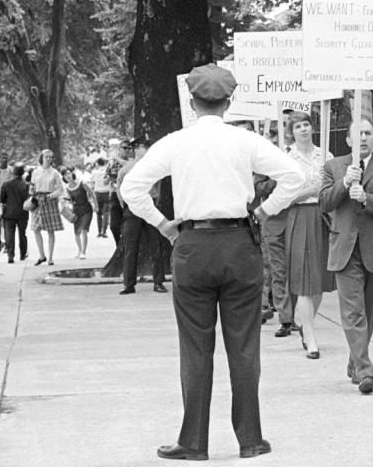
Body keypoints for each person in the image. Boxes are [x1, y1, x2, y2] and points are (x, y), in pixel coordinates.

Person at [120, 63, 305, 461]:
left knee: (195, 348)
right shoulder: (246, 141)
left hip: (192, 244)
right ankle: (251, 439)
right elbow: (294, 176)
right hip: (240, 242)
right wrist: (263, 212)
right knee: (244, 347)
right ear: (229, 101)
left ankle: (193, 442)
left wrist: (164, 225)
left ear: (192, 101)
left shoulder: (175, 143)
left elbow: (131, 187)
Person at [320, 118, 373, 394]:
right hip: (345, 248)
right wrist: (344, 183)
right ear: (349, 140)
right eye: (359, 134)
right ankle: (366, 369)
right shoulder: (334, 166)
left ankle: (355, 361)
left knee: (369, 310)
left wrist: (367, 198)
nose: (365, 138)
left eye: (369, 133)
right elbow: (324, 202)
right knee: (353, 311)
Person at [285, 110, 335, 359]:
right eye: (297, 127)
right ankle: (311, 337)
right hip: (299, 216)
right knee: (305, 280)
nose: (303, 129)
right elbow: (284, 196)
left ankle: (306, 324)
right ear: (291, 132)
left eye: (306, 125)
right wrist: (309, 191)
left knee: (319, 282)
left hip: (323, 217)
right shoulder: (286, 158)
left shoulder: (325, 154)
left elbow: (333, 187)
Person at [260, 116, 298, 336]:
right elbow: (258, 187)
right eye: (277, 133)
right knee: (277, 270)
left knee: (297, 270)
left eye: (285, 131)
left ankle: (297, 315)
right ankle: (285, 318)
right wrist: (277, 180)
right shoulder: (264, 158)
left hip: (298, 217)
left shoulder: (298, 155)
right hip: (274, 220)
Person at [116, 138, 165, 294]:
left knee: (155, 245)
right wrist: (125, 204)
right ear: (136, 149)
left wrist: (154, 201)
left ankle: (158, 281)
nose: (147, 150)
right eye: (145, 147)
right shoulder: (126, 169)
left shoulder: (152, 168)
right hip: (133, 209)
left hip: (148, 207)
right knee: (130, 247)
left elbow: (158, 187)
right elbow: (119, 189)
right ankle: (129, 284)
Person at [30, 150, 64, 265]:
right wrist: (31, 193)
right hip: (37, 200)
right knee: (35, 228)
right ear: (42, 158)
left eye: (51, 157)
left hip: (49, 200)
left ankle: (50, 258)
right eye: (46, 157)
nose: (49, 159)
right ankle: (41, 255)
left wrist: (51, 196)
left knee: (50, 230)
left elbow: (60, 189)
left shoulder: (55, 173)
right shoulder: (35, 172)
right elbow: (32, 186)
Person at [61, 166, 97, 260]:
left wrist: (96, 206)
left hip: (86, 208)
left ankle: (84, 252)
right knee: (77, 233)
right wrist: (66, 206)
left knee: (84, 230)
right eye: (65, 175)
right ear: (64, 178)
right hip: (76, 210)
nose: (67, 176)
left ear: (72, 174)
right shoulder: (68, 189)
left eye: (68, 173)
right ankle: (79, 250)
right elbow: (70, 201)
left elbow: (92, 194)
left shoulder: (82, 183)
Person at [0, 164, 30, 263]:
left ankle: (10, 255)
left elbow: (2, 199)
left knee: (9, 234)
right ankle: (22, 254)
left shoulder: (6, 184)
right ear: (22, 173)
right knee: (22, 234)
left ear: (13, 173)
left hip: (9, 213)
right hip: (22, 212)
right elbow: (28, 199)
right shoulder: (26, 185)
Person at [107, 141, 134, 245]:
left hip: (128, 195)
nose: (127, 150)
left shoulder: (132, 161)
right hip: (115, 194)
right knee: (114, 225)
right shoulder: (111, 163)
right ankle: (119, 246)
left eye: (129, 148)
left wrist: (116, 158)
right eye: (125, 148)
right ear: (119, 149)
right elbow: (107, 177)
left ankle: (125, 246)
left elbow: (127, 165)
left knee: (128, 224)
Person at [90, 157, 113, 238]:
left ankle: (99, 231)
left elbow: (91, 181)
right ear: (105, 163)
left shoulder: (94, 172)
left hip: (97, 193)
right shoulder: (106, 172)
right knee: (106, 213)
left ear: (97, 163)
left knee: (98, 213)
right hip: (106, 193)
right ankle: (104, 231)